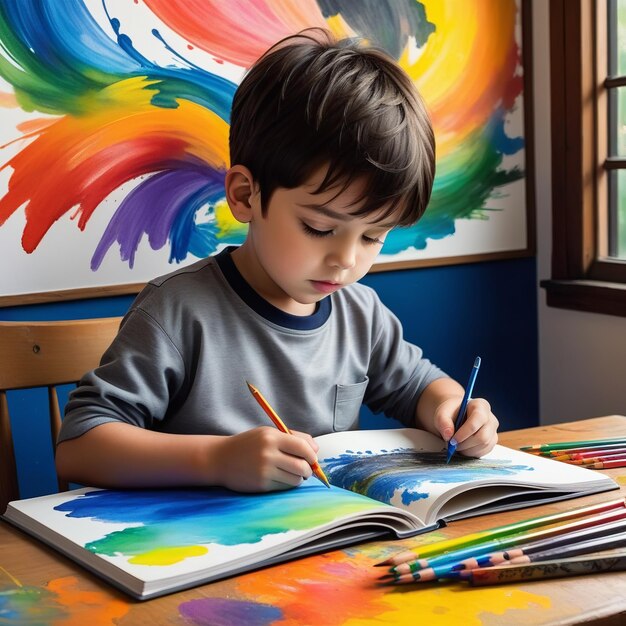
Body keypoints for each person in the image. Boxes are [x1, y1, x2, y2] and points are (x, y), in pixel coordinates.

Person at [56, 29, 499, 493]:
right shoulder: (178, 312)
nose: (345, 260)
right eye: (319, 229)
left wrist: (457, 409)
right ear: (246, 196)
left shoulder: (361, 315)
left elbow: (421, 388)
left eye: (373, 236)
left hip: (325, 548)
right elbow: (79, 448)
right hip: (198, 552)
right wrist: (217, 460)